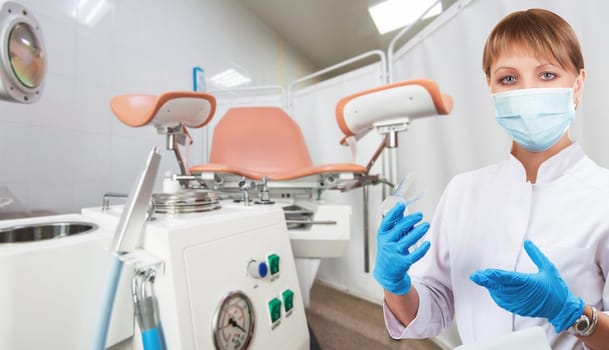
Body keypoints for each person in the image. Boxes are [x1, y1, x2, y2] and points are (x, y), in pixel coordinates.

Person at [373, 8, 609, 350]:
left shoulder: (604, 195)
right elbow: (434, 309)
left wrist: (571, 313)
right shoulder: (463, 191)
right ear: (491, 88)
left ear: (578, 84)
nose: (527, 92)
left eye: (547, 75)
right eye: (509, 79)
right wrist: (395, 286)